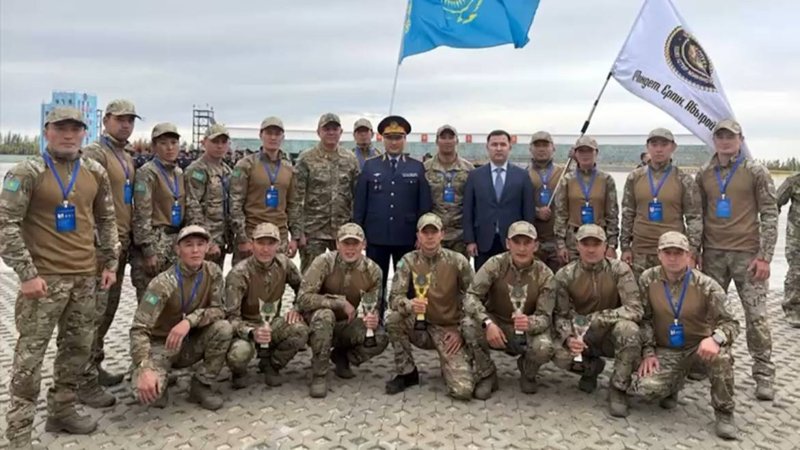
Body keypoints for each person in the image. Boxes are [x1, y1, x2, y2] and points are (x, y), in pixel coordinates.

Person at [0, 107, 119, 447]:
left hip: (85, 277)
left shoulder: (94, 171)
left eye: (75, 129)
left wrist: (110, 263)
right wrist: (26, 274)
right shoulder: (27, 172)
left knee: (76, 350)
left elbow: (107, 219)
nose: (69, 135)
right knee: (29, 358)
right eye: (61, 128)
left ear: (84, 132)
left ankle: (62, 410)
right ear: (47, 131)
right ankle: (19, 431)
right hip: (43, 281)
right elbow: (5, 224)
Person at [696, 119, 778, 400]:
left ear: (740, 139)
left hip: (748, 256)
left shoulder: (756, 171)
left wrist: (765, 257)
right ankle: (709, 363)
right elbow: (697, 215)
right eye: (720, 136)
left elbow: (770, 214)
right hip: (713, 254)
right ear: (714, 141)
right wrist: (696, 251)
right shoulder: (704, 173)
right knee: (710, 315)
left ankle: (764, 374)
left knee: (756, 317)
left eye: (730, 136)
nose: (725, 141)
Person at [634, 231, 740, 439]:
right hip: (667, 348)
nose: (673, 258)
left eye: (678, 253)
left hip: (698, 349)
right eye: (668, 253)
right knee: (645, 389)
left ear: (688, 255)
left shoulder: (706, 285)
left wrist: (715, 339)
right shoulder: (648, 279)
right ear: (659, 254)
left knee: (721, 357)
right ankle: (673, 384)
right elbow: (644, 319)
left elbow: (731, 323)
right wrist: (648, 352)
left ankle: (724, 413)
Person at [130, 225, 232, 411]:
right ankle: (157, 373)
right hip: (163, 345)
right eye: (189, 245)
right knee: (146, 394)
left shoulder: (213, 272)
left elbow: (219, 310)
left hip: (191, 341)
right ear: (178, 250)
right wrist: (144, 367)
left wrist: (189, 321)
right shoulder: (162, 284)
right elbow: (139, 329)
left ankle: (201, 385)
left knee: (224, 328)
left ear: (207, 247)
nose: (195, 250)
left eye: (200, 244)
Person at [79, 99, 140, 397]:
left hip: (121, 243)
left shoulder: (126, 155)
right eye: (120, 119)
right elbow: (86, 200)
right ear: (106, 121)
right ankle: (82, 379)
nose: (126, 125)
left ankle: (94, 365)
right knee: (92, 313)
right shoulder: (95, 153)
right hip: (102, 248)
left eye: (130, 120)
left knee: (108, 310)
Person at [552, 224, 642, 418]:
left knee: (629, 330)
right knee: (557, 353)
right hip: (582, 337)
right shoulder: (565, 275)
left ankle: (618, 388)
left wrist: (598, 319)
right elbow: (560, 315)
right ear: (577, 246)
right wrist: (569, 337)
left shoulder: (620, 270)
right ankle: (590, 369)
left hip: (611, 333)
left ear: (605, 246)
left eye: (596, 244)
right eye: (586, 244)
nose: (591, 249)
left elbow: (635, 309)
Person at [385, 213, 475, 400]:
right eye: (425, 232)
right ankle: (407, 372)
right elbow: (394, 298)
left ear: (442, 234)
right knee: (393, 319)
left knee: (462, 390)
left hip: (448, 330)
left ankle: (454, 363)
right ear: (418, 236)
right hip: (420, 327)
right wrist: (409, 304)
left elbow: (474, 299)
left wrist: (460, 331)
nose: (430, 237)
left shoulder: (458, 261)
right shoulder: (407, 261)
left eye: (434, 232)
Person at [462, 221, 555, 398]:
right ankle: (487, 374)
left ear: (535, 246)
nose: (522, 248)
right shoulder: (495, 264)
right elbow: (471, 296)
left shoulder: (545, 275)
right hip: (496, 323)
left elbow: (545, 317)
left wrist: (530, 323)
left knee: (544, 347)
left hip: (525, 329)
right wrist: (487, 323)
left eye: (527, 243)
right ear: (507, 243)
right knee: (468, 325)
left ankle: (528, 371)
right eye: (516, 242)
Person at [353, 115, 432, 322]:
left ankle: (404, 322)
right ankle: (374, 322)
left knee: (407, 283)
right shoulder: (370, 166)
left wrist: (422, 235)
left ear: (405, 139)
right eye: (389, 138)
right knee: (374, 282)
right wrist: (359, 234)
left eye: (398, 138)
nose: (394, 142)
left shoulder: (417, 167)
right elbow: (360, 203)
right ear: (382, 139)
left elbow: (424, 206)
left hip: (406, 236)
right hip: (376, 235)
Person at [296, 223, 388, 398]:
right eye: (346, 243)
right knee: (325, 315)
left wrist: (372, 317)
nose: (350, 249)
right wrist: (338, 303)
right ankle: (319, 374)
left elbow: (373, 305)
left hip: (345, 324)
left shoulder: (373, 270)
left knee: (380, 336)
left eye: (355, 243)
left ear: (364, 245)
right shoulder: (324, 262)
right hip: (316, 324)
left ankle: (342, 357)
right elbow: (303, 299)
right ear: (337, 244)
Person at [225, 222, 308, 388]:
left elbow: (304, 290)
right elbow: (230, 318)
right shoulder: (239, 274)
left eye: (271, 243)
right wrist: (251, 332)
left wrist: (296, 308)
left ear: (278, 245)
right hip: (246, 327)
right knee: (239, 354)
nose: (265, 249)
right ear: (252, 244)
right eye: (260, 243)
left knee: (300, 330)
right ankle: (238, 372)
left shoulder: (284, 264)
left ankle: (272, 364)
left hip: (272, 323)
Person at [620, 128, 702, 279]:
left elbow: (694, 218)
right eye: (654, 144)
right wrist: (625, 247)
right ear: (647, 147)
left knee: (671, 293)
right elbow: (627, 214)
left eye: (664, 145)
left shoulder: (684, 179)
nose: (659, 149)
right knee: (640, 292)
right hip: (640, 251)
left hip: (673, 252)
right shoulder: (635, 177)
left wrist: (692, 252)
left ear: (673, 147)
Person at [294, 113, 360, 272]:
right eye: (326, 129)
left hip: (342, 231)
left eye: (334, 129)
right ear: (318, 132)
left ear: (341, 132)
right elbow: (296, 198)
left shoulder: (350, 159)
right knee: (311, 276)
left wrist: (356, 229)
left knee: (343, 277)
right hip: (313, 232)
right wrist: (298, 232)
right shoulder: (306, 159)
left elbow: (357, 196)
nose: (331, 132)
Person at [229, 116, 299, 265]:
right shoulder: (246, 165)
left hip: (279, 237)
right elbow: (235, 204)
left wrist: (295, 237)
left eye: (277, 134)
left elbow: (293, 205)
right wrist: (242, 238)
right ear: (261, 135)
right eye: (269, 133)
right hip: (252, 236)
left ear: (283, 137)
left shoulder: (289, 168)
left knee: (277, 278)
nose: (273, 137)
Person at [463, 129, 536, 270]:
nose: (498, 148)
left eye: (503, 144)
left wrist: (528, 240)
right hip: (483, 242)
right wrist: (470, 240)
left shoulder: (522, 176)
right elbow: (468, 210)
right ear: (487, 147)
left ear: (509, 147)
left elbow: (528, 211)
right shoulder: (475, 176)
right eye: (494, 144)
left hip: (514, 241)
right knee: (484, 280)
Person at [131, 123, 186, 302]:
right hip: (155, 242)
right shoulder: (147, 173)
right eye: (163, 143)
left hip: (174, 243)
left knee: (172, 302)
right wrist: (148, 250)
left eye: (173, 142)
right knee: (150, 302)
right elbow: (142, 213)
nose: (170, 147)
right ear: (154, 146)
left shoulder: (178, 173)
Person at [554, 135, 620, 264]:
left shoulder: (606, 180)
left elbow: (612, 215)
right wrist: (561, 245)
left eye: (589, 151)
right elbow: (561, 214)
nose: (585, 155)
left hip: (599, 240)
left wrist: (612, 245)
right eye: (581, 151)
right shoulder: (567, 180)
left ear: (596, 153)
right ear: (575, 154)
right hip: (573, 241)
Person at [184, 123, 233, 268]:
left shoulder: (226, 170)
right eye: (215, 141)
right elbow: (192, 206)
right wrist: (207, 241)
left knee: (215, 278)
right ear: (204, 142)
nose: (220, 146)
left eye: (223, 142)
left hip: (222, 238)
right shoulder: (197, 170)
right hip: (203, 242)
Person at [424, 124, 475, 258]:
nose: (447, 141)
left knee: (459, 270)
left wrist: (471, 237)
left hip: (460, 235)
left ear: (457, 141)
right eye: (443, 137)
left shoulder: (469, 169)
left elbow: (474, 203)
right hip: (433, 233)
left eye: (451, 137)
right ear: (437, 141)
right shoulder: (425, 169)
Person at [527, 130, 565, 272]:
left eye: (545, 145)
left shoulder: (564, 173)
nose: (541, 149)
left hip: (558, 243)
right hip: (534, 242)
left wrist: (577, 159)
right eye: (537, 145)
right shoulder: (523, 174)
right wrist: (536, 212)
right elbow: (517, 205)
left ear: (553, 148)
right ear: (530, 149)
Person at [777, 172, 800, 327]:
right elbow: (774, 202)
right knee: (796, 272)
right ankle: (793, 309)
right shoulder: (794, 181)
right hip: (796, 238)